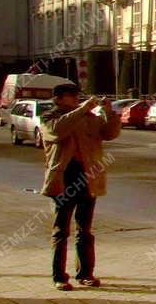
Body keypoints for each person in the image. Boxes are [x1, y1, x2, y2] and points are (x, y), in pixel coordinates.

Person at [41, 83, 121, 290]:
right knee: (61, 230)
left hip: (87, 177)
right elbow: (57, 132)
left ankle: (85, 273)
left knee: (85, 229)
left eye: (78, 95)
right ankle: (59, 276)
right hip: (63, 178)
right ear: (58, 98)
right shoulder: (49, 117)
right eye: (71, 95)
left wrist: (109, 112)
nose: (77, 98)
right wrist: (83, 109)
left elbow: (109, 133)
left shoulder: (87, 117)